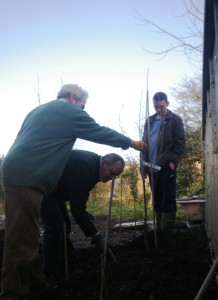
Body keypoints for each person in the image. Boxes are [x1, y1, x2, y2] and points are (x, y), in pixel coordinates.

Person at [0, 83, 146, 300]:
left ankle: (39, 286)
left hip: (21, 173)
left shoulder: (39, 110)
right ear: (71, 98)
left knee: (29, 240)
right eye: (82, 106)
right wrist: (129, 143)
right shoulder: (68, 111)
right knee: (20, 245)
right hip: (26, 178)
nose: (83, 111)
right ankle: (12, 294)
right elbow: (99, 131)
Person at [40, 149, 125, 284]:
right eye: (112, 173)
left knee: (65, 226)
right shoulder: (84, 165)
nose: (111, 179)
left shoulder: (93, 167)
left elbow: (78, 199)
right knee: (55, 226)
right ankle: (48, 275)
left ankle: (70, 265)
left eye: (115, 177)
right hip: (42, 185)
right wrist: (96, 236)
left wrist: (86, 217)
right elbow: (77, 209)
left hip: (55, 191)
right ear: (105, 162)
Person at [141, 91, 185, 231]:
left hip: (166, 166)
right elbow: (143, 146)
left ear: (167, 103)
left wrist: (173, 162)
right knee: (157, 200)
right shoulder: (149, 121)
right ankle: (158, 232)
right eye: (156, 107)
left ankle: (167, 234)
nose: (159, 109)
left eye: (161, 106)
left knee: (168, 199)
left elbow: (180, 143)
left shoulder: (175, 120)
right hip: (151, 167)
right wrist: (143, 167)